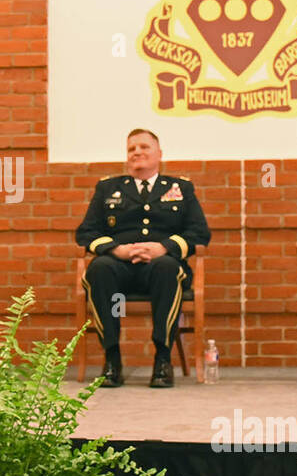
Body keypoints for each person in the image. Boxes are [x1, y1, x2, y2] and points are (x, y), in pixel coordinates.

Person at [76, 129, 210, 388]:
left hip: (160, 268)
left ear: (159, 154)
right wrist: (118, 250)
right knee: (99, 269)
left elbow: (199, 233)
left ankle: (162, 359)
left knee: (167, 268)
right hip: (119, 269)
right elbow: (86, 232)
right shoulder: (108, 188)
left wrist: (164, 247)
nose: (137, 152)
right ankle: (112, 359)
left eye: (144, 147)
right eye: (131, 149)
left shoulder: (180, 188)